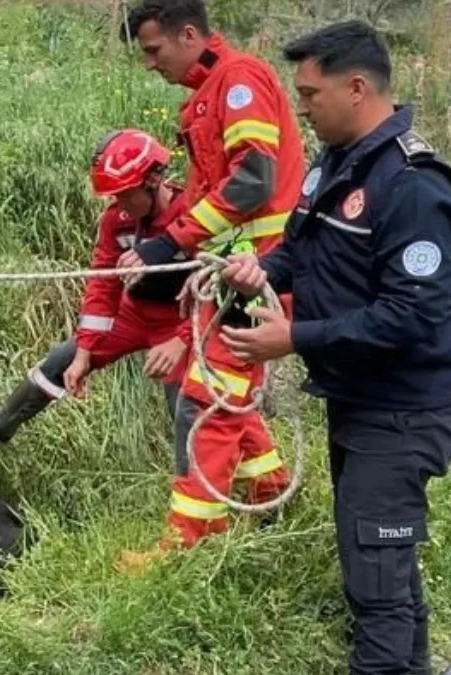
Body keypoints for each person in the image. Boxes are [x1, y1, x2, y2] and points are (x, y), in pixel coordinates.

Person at [219, 21, 451, 675]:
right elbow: (300, 248)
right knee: (384, 570)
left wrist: (294, 336)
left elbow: (412, 313)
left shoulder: (412, 185)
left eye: (311, 93)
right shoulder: (335, 163)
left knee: (377, 584)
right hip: (354, 399)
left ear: (356, 87)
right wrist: (261, 270)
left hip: (401, 410)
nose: (303, 107)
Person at [116, 0, 302, 554]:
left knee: (208, 401)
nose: (150, 64)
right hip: (233, 272)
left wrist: (170, 242)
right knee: (228, 392)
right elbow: (213, 196)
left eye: (154, 50)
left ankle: (186, 545)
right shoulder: (207, 96)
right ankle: (272, 495)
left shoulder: (238, 81)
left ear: (190, 33)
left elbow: (253, 181)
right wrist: (164, 249)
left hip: (260, 270)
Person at [0, 129, 195, 468]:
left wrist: (183, 340)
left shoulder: (194, 217)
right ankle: (2, 422)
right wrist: (85, 351)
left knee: (186, 403)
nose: (121, 205)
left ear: (153, 180)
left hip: (183, 323)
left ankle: (195, 492)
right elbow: (103, 285)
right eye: (115, 197)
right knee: (62, 359)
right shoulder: (118, 221)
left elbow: (216, 288)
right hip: (134, 315)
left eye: (126, 195)